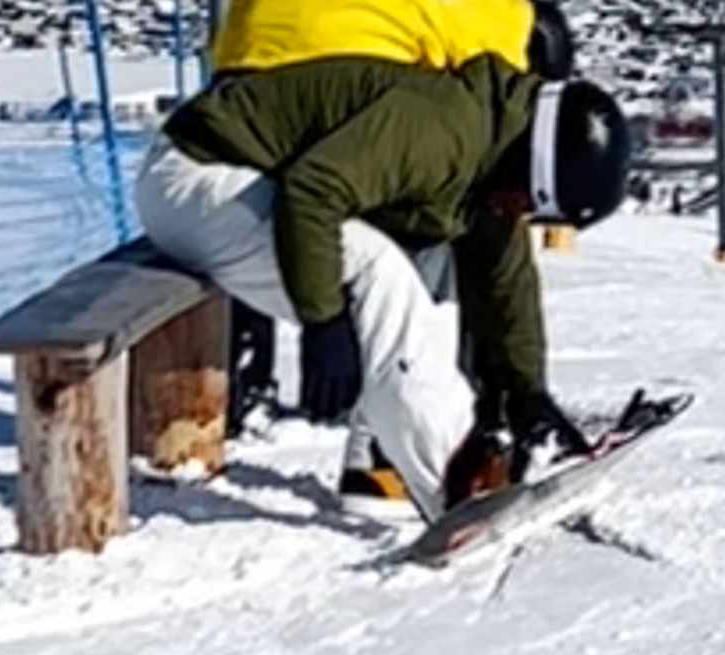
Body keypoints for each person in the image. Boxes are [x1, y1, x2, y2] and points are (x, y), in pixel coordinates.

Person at [139, 46, 632, 521]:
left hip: (239, 184)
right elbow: (312, 190)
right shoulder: (444, 131)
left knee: (433, 273)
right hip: (193, 178)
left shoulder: (493, 152)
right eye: (527, 203)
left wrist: (529, 394)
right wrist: (324, 321)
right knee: (376, 270)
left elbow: (506, 280)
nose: (518, 214)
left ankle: (403, 461)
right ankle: (458, 483)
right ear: (531, 168)